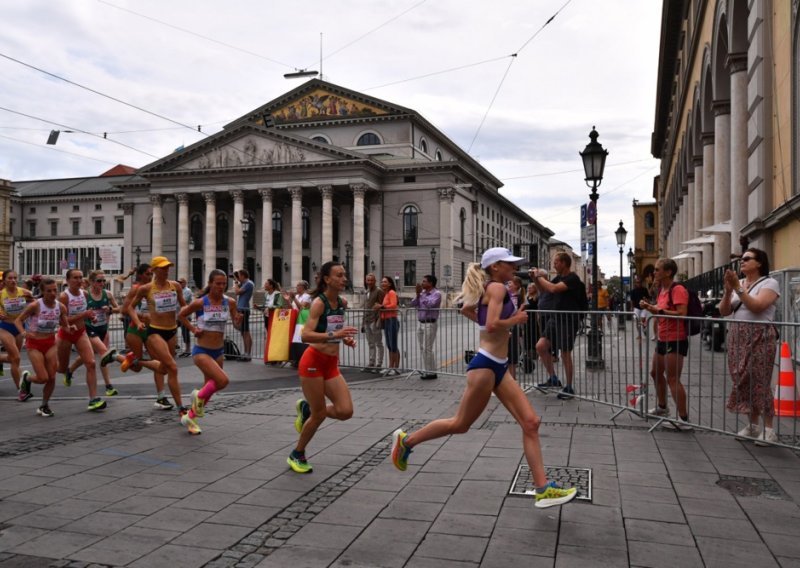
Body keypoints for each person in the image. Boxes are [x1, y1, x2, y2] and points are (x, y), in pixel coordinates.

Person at [391, 247, 577, 509]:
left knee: (531, 423)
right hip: (486, 366)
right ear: (495, 267)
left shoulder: (491, 288)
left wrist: (502, 325)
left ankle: (543, 489)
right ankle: (406, 441)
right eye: (509, 263)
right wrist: (515, 320)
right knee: (460, 424)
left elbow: (466, 310)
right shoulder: (497, 288)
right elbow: (491, 325)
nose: (514, 267)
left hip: (497, 366)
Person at [288, 261, 358, 473]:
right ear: (327, 279)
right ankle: (297, 454)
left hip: (331, 364)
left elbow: (332, 330)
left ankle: (308, 409)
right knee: (319, 415)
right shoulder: (319, 303)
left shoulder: (341, 303)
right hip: (313, 363)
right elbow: (306, 334)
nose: (344, 278)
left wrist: (343, 339)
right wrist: (334, 335)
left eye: (344, 275)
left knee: (345, 411)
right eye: (339, 275)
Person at [719, 248, 780, 445]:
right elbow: (724, 311)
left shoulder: (769, 283)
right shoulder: (742, 284)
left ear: (759, 262)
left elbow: (757, 306)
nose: (742, 262)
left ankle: (769, 429)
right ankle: (753, 425)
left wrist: (737, 287)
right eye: (741, 259)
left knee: (760, 380)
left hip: (759, 336)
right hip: (738, 336)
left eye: (746, 259)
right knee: (743, 379)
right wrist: (729, 291)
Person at [178, 269, 241, 435]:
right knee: (222, 381)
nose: (221, 287)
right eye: (218, 283)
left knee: (210, 389)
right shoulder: (200, 302)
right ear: (210, 284)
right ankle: (197, 396)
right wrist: (193, 329)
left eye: (224, 284)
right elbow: (181, 315)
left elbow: (236, 325)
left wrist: (237, 321)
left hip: (218, 351)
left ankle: (191, 419)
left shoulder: (230, 302)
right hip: (201, 351)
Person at [127, 257, 190, 420]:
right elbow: (130, 308)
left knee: (164, 368)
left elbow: (184, 306)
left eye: (168, 267)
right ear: (154, 270)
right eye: (162, 268)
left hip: (172, 331)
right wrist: (137, 321)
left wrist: (193, 315)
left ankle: (135, 361)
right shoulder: (146, 288)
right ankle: (182, 408)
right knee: (173, 367)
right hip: (155, 331)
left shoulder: (175, 286)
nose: (166, 270)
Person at [105, 264, 170, 409]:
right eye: (147, 274)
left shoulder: (152, 288)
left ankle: (161, 397)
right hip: (135, 330)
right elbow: (126, 309)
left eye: (151, 274)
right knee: (137, 366)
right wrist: (140, 317)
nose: (150, 276)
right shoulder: (136, 289)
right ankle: (115, 356)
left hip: (151, 330)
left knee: (159, 363)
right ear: (140, 275)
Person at [638, 257, 692, 430]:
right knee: (655, 373)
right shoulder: (662, 290)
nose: (654, 272)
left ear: (668, 272)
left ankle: (684, 419)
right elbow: (660, 309)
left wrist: (657, 310)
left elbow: (682, 313)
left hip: (675, 338)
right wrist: (649, 307)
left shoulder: (678, 290)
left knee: (673, 378)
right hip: (663, 338)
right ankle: (662, 407)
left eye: (657, 269)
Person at [15, 278, 71, 416]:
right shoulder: (35, 305)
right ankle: (27, 379)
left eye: (55, 290)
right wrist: (24, 333)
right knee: (42, 378)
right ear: (42, 292)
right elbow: (18, 320)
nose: (53, 293)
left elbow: (65, 325)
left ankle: (44, 405)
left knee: (51, 377)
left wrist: (70, 327)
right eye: (49, 291)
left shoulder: (60, 307)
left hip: (50, 343)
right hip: (34, 344)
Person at [533, 252, 584, 399]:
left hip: (568, 319)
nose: (554, 265)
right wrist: (535, 279)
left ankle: (569, 387)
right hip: (555, 318)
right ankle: (553, 378)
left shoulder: (572, 278)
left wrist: (538, 276)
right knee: (540, 346)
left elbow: (554, 289)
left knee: (565, 352)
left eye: (556, 262)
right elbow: (544, 290)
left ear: (563, 263)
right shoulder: (559, 278)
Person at [57, 269, 107, 411]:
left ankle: (93, 399)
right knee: (60, 369)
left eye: (80, 277)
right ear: (67, 280)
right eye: (75, 278)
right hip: (66, 334)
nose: (79, 280)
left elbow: (87, 313)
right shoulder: (64, 297)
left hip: (80, 332)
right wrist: (83, 315)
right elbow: (62, 320)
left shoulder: (84, 294)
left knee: (91, 364)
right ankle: (29, 379)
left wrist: (91, 317)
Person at [65, 270, 121, 396]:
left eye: (103, 281)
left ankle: (69, 370)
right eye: (99, 281)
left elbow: (119, 309)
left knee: (93, 355)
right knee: (104, 353)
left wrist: (111, 309)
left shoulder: (108, 294)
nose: (102, 283)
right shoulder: (86, 295)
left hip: (103, 329)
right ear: (91, 282)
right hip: (89, 328)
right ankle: (109, 386)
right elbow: (77, 311)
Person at [0, 270, 34, 392]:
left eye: (15, 278)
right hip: (5, 327)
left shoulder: (24, 292)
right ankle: (21, 389)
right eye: (10, 278)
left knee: (14, 357)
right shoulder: (1, 294)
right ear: (4, 280)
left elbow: (35, 304)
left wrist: (31, 300)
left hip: (19, 327)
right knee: (16, 358)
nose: (13, 280)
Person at [411, 274, 441, 380]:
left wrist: (422, 296)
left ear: (430, 283)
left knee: (428, 348)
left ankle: (430, 372)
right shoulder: (422, 293)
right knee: (423, 348)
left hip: (430, 323)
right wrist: (418, 294)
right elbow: (413, 303)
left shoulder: (436, 294)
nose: (422, 283)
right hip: (420, 322)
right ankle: (429, 370)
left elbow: (430, 305)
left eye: (424, 281)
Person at [285, 280, 312, 367]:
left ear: (303, 287)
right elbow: (291, 307)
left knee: (300, 339)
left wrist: (294, 298)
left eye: (298, 286)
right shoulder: (296, 296)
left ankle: (301, 359)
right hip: (294, 318)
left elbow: (302, 307)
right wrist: (288, 300)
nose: (296, 287)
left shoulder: (307, 296)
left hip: (302, 320)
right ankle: (295, 358)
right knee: (294, 338)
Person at [362, 273, 385, 371]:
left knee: (378, 343)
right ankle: (371, 362)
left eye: (372, 280)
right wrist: (363, 322)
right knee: (370, 343)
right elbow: (365, 307)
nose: (370, 282)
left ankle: (379, 364)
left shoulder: (379, 291)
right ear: (366, 281)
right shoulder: (366, 291)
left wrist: (379, 320)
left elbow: (382, 306)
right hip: (367, 320)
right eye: (368, 280)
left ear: (375, 281)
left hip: (375, 320)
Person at [377, 276, 400, 373]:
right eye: (382, 282)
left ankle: (395, 367)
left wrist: (382, 306)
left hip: (392, 320)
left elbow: (394, 305)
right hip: (387, 320)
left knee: (393, 344)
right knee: (389, 345)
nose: (383, 284)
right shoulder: (386, 294)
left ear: (390, 284)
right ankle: (391, 366)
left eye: (385, 282)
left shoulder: (391, 293)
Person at [506, 276, 524, 379]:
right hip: (506, 324)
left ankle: (512, 377)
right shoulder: (506, 295)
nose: (508, 285)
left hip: (514, 325)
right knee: (505, 352)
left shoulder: (519, 297)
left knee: (512, 352)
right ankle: (507, 376)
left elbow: (520, 310)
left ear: (516, 285)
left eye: (510, 283)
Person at [234, 269, 254, 361]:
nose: (238, 278)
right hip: (241, 309)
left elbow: (237, 292)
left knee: (246, 332)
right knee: (243, 331)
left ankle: (248, 353)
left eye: (239, 276)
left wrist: (235, 283)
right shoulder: (244, 284)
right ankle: (246, 352)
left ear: (243, 276)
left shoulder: (248, 283)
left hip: (244, 309)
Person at [523, 283, 539, 373]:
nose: (529, 289)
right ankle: (528, 352)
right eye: (528, 287)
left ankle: (534, 352)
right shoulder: (526, 297)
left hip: (533, 319)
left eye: (531, 288)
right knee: (527, 334)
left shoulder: (536, 298)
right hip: (527, 319)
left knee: (534, 334)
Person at [630, 276, 651, 340]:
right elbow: (632, 300)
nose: (638, 283)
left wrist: (646, 300)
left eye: (639, 282)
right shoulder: (633, 291)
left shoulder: (645, 290)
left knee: (642, 320)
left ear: (641, 283)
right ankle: (639, 335)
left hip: (644, 307)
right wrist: (631, 308)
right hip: (636, 308)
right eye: (637, 282)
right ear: (635, 283)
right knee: (637, 322)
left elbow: (648, 299)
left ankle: (644, 328)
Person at [178, 278, 194, 357]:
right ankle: (175, 345)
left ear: (184, 283)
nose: (179, 284)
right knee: (172, 329)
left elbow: (182, 300)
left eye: (181, 282)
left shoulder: (187, 291)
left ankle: (188, 349)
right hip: (178, 314)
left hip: (186, 315)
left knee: (185, 332)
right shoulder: (179, 291)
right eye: (178, 282)